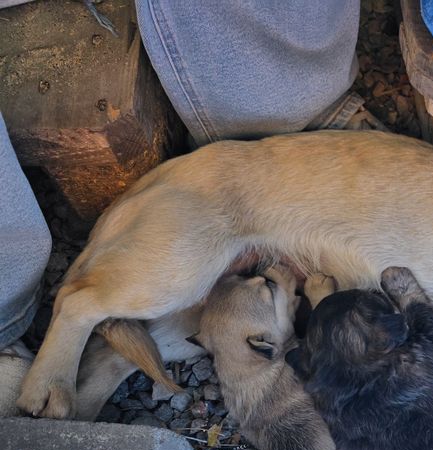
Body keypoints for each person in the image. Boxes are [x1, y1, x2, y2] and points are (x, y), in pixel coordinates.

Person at [0, 0, 363, 415]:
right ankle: (72, 318)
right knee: (172, 283)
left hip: (273, 210)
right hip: (242, 194)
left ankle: (93, 382)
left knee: (182, 322)